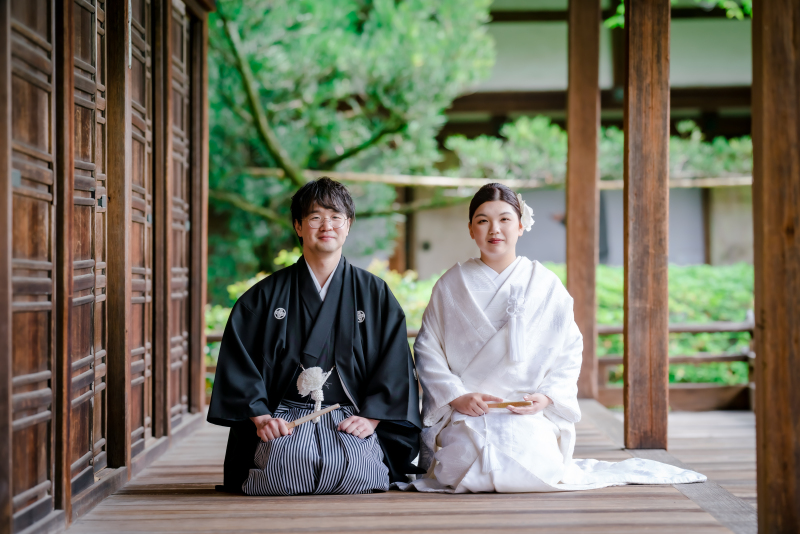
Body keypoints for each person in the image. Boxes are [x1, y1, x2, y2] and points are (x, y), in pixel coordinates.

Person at [398, 183, 705, 493]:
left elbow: (570, 348)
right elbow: (427, 348)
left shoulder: (544, 284)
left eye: (505, 219)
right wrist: (457, 396)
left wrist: (546, 397)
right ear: (470, 229)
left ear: (520, 226)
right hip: (469, 413)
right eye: (483, 220)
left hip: (528, 410)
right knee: (461, 466)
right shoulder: (451, 285)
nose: (495, 229)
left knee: (535, 462)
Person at [208, 177, 423, 495]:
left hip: (350, 416)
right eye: (315, 217)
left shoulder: (374, 293)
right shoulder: (264, 297)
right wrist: (262, 419)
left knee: (357, 471)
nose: (327, 225)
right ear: (298, 226)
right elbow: (239, 361)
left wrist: (372, 418)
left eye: (336, 217)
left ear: (348, 225)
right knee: (285, 466)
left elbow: (394, 364)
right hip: (283, 419)